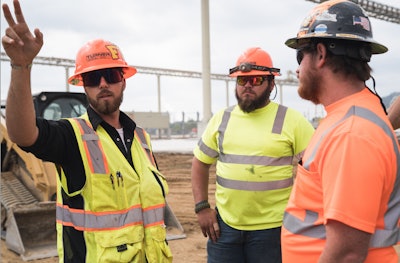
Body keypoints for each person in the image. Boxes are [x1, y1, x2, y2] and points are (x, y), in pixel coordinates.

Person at [1, 1, 173, 262]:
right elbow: (23, 134)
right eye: (93, 78)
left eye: (111, 74)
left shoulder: (142, 139)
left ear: (123, 80)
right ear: (83, 86)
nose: (103, 84)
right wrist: (21, 67)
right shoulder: (73, 137)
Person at [281, 0, 400, 262]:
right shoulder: (346, 118)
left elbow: (346, 253)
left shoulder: (352, 133)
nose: (298, 69)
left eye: (300, 56)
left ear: (321, 54)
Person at [191, 47, 315, 263]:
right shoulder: (222, 118)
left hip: (272, 230)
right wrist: (202, 207)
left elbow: (319, 167)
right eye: (242, 80)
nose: (247, 85)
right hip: (224, 228)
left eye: (256, 80)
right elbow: (200, 162)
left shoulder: (292, 121)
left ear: (271, 83)